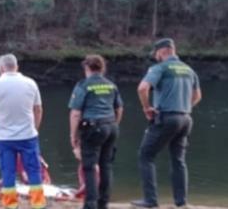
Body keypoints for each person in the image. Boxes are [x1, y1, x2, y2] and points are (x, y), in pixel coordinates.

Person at [132, 38, 202, 209]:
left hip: (166, 117)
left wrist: (147, 108)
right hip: (185, 118)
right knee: (178, 160)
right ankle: (181, 202)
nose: (156, 57)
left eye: (156, 53)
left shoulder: (160, 68)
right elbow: (198, 96)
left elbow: (142, 88)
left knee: (145, 156)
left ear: (162, 51)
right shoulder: (188, 70)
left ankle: (150, 200)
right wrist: (184, 107)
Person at [0, 54, 46, 209]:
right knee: (33, 170)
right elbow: (38, 109)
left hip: (5, 138)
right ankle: (37, 203)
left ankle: (11, 204)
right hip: (28, 136)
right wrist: (35, 129)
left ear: (1, 67)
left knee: (8, 172)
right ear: (16, 66)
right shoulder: (30, 83)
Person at [68, 55, 123, 209]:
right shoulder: (111, 85)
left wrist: (73, 136)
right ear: (102, 68)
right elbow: (119, 108)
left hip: (93, 127)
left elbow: (75, 113)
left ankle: (90, 204)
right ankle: (103, 203)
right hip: (111, 126)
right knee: (106, 166)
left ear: (87, 68)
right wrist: (114, 124)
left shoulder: (83, 85)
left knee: (90, 166)